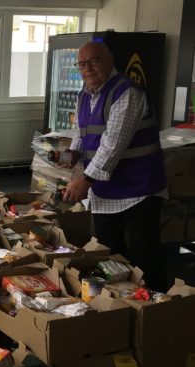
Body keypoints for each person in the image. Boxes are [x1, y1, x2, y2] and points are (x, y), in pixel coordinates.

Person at [63, 41, 167, 289]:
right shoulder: (84, 95)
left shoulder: (128, 93)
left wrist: (84, 181)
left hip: (138, 190)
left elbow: (113, 145)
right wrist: (72, 154)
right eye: (82, 64)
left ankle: (156, 307)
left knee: (143, 255)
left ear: (110, 60)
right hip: (106, 191)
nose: (87, 69)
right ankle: (119, 305)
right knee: (107, 253)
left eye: (94, 61)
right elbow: (81, 132)